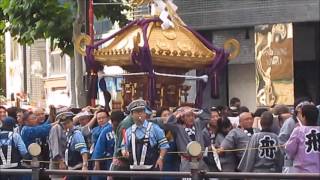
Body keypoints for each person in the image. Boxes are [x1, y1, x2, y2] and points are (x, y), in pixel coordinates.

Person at [121, 99, 169, 180]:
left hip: (151, 171)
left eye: (142, 111)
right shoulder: (128, 131)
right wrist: (124, 152)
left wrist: (160, 158)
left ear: (145, 113)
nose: (140, 114)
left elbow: (164, 145)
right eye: (136, 112)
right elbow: (123, 146)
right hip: (134, 171)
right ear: (132, 115)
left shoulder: (155, 128)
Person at [166, 106, 209, 175]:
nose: (191, 118)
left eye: (192, 116)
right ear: (182, 118)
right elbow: (168, 124)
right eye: (188, 116)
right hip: (186, 161)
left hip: (200, 161)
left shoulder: (198, 124)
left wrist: (196, 112)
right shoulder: (178, 128)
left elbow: (206, 117)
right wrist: (178, 113)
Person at [285, 104, 320, 173]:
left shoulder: (299, 130)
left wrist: (286, 145)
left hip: (302, 173)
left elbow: (290, 150)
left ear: (303, 116)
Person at [92, 111, 125, 180]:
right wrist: (96, 163)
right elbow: (99, 148)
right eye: (99, 118)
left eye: (103, 118)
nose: (101, 120)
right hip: (111, 162)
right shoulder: (107, 130)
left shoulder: (127, 129)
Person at [60, 111, 89, 180]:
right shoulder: (68, 135)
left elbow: (83, 150)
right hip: (71, 170)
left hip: (77, 169)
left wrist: (85, 165)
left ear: (72, 122)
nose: (66, 125)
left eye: (68, 123)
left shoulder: (77, 134)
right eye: (64, 124)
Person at [48, 106, 68, 180]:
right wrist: (60, 161)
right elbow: (55, 146)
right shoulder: (56, 128)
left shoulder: (68, 128)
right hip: (58, 162)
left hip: (67, 161)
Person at [203, 107, 221, 173]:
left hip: (223, 162)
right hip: (209, 164)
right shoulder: (204, 132)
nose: (216, 119)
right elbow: (201, 150)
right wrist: (211, 148)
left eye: (217, 116)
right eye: (212, 117)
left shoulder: (222, 129)